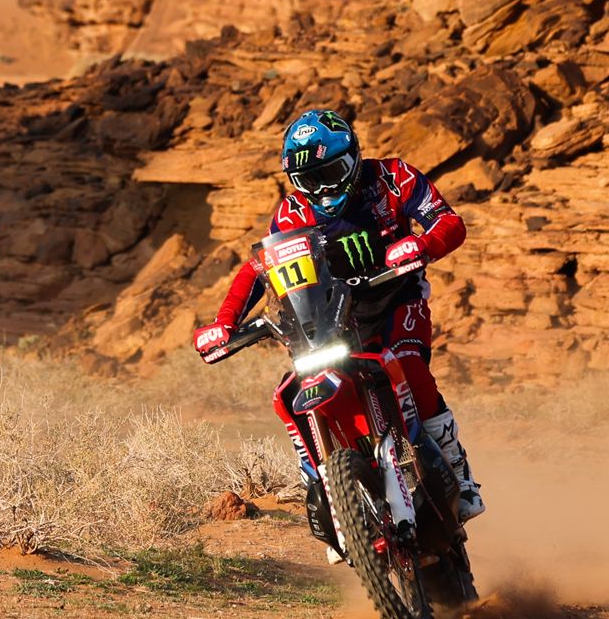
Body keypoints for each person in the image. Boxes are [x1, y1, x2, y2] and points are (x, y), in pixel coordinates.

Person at [193, 109, 485, 527]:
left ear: (354, 158)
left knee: (410, 366)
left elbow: (448, 221)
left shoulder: (392, 177)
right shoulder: (292, 214)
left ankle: (461, 475)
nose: (324, 188)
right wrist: (225, 323)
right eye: (310, 179)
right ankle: (325, 491)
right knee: (297, 387)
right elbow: (259, 269)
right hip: (333, 316)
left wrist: (423, 246)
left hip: (398, 296)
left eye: (332, 172)